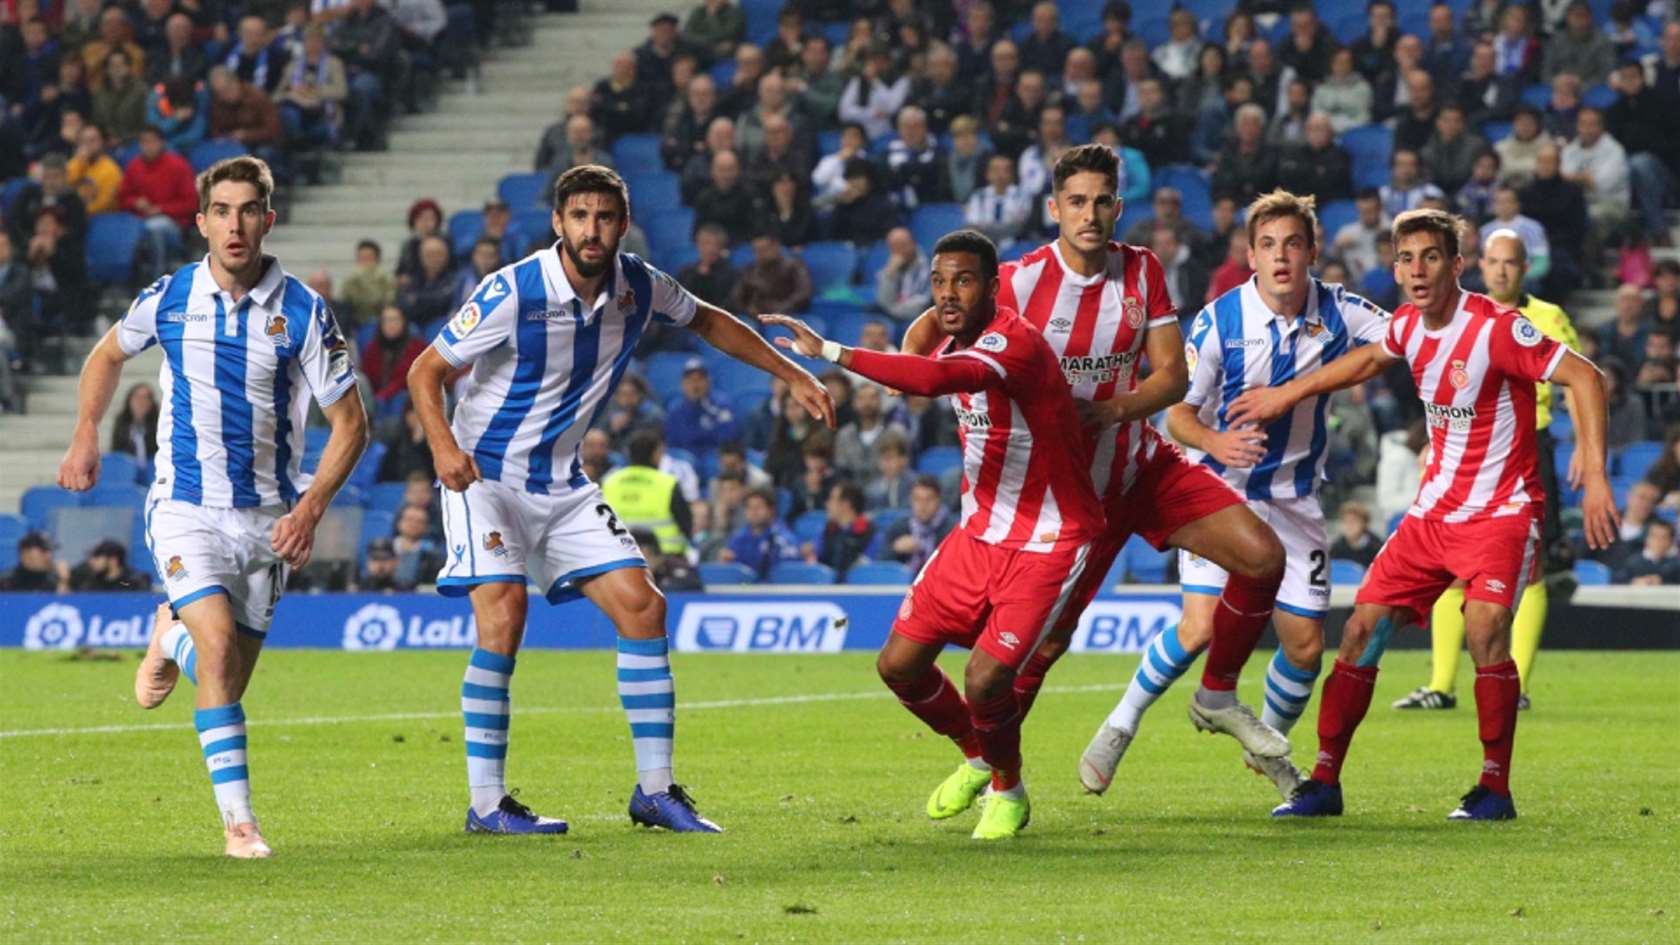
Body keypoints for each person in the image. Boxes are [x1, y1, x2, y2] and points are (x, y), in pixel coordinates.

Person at [404, 164, 834, 835]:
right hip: (483, 476)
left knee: (643, 605)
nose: (592, 229)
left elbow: (712, 322)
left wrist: (790, 370)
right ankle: (486, 803)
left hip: (564, 480)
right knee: (505, 613)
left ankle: (655, 792)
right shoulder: (512, 289)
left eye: (605, 216)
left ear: (622, 224)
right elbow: (424, 370)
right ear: (558, 223)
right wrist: (442, 448)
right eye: (579, 215)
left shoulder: (639, 284)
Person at [899, 145, 1292, 792]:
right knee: (1040, 652)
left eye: (1102, 200)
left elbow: (1174, 376)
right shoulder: (1019, 283)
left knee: (1261, 556)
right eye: (1076, 201)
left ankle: (1217, 693)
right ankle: (994, 772)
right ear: (1054, 208)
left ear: (1117, 205)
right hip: (1065, 505)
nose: (1090, 213)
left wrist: (1111, 411)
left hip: (1142, 469)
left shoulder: (1141, 270)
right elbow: (922, 343)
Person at [1228, 207, 1617, 821]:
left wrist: (1593, 475)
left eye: (1430, 257)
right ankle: (1324, 782)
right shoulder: (1407, 326)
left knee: (1486, 626)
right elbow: (1363, 362)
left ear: (1457, 265)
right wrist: (1286, 394)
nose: (1416, 269)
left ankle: (1494, 789)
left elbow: (1586, 378)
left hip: (1502, 510)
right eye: (1405, 258)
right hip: (1433, 515)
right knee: (1359, 629)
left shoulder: (1494, 328)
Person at [61, 155, 370, 857]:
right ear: (201, 223)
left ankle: (168, 636)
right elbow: (106, 355)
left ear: (269, 217)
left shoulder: (303, 311)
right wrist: (86, 432)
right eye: (221, 211)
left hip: (270, 521)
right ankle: (240, 824)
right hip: (186, 507)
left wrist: (311, 507)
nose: (235, 224)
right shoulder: (170, 297)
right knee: (221, 646)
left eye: (249, 209)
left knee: (223, 676)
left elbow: (351, 423)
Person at [761, 228, 1104, 841]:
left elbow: (925, 381)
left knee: (985, 678)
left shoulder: (1012, 344)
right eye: (939, 282)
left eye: (965, 281)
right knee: (898, 665)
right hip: (978, 534)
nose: (949, 294)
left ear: (994, 289)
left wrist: (831, 351)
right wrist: (940, 315)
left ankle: (1009, 787)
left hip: (1050, 537)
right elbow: (913, 360)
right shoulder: (951, 332)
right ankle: (977, 755)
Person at [1083, 191, 1394, 802]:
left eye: (1293, 244)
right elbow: (1179, 416)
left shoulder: (1341, 310)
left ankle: (1266, 740)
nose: (1281, 257)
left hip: (1296, 499)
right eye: (1269, 246)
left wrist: (1293, 391)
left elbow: (1393, 346)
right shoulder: (1221, 320)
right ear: (1250, 255)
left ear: (1313, 252)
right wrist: (1217, 444)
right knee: (1199, 627)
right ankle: (1120, 723)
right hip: (1217, 494)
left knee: (1305, 648)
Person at [1393, 229, 1581, 713]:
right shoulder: (1458, 317)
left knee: (1531, 569)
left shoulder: (1547, 317)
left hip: (1526, 449)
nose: (1500, 270)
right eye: (1493, 261)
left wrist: (1582, 446)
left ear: (1524, 268)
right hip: (1464, 445)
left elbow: (1579, 379)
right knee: (1448, 564)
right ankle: (1440, 684)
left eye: (1510, 263)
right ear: (1479, 265)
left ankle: (1514, 683)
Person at [119, 125, 197, 280]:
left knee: (155, 226)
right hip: (138, 220)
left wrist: (161, 209)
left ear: (161, 143)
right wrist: (135, 202)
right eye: (144, 142)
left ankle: (157, 277)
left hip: (174, 224)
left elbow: (191, 203)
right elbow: (122, 198)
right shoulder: (134, 166)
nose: (148, 146)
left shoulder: (178, 166)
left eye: (152, 141)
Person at [664, 358, 738, 461]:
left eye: (700, 379)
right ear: (682, 384)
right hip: (686, 462)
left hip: (715, 462)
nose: (695, 385)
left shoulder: (722, 406)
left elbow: (728, 443)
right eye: (690, 380)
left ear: (708, 382)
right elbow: (673, 446)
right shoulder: (675, 409)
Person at [881, 474, 954, 572]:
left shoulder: (952, 530)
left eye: (929, 499)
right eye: (917, 499)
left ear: (938, 500)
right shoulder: (899, 527)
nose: (923, 505)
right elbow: (879, 563)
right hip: (903, 586)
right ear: (911, 500)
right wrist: (895, 549)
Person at [361, 304, 425, 404]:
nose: (390, 324)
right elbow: (367, 377)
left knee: (400, 398)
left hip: (405, 399)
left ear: (404, 322)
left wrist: (385, 394)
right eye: (386, 320)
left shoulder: (416, 347)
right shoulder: (372, 348)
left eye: (395, 319)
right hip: (376, 399)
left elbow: (407, 379)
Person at [874, 227, 931, 321]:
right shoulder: (891, 265)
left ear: (912, 243)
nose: (898, 251)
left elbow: (923, 303)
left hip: (919, 317)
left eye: (902, 245)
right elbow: (883, 301)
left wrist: (891, 311)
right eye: (894, 247)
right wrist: (890, 275)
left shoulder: (928, 264)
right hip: (894, 315)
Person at [340, 240, 397, 330]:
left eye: (369, 258)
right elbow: (345, 301)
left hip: (381, 321)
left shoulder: (386, 279)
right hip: (357, 323)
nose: (366, 262)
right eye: (362, 258)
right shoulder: (351, 280)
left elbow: (387, 302)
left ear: (377, 259)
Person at [109, 381, 160, 470]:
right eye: (138, 397)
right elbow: (116, 450)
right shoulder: (121, 422)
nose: (141, 402)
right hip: (126, 470)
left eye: (146, 398)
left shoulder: (158, 424)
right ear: (129, 400)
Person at [1613, 518, 1680, 584]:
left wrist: (1663, 582)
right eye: (1654, 536)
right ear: (1646, 539)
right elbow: (1616, 582)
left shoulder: (1677, 563)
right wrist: (1634, 582)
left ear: (1671, 541)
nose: (1659, 541)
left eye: (1664, 537)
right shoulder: (1633, 562)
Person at [0, 531, 69, 591]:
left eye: (51, 551)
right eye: (43, 551)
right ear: (25, 554)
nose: (49, 556)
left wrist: (63, 581)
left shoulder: (55, 579)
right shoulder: (5, 581)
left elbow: (65, 604)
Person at [1330, 500, 1382, 568]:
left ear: (1364, 524)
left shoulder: (1376, 547)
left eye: (1353, 521)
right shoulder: (1336, 548)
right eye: (1345, 522)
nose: (1349, 526)